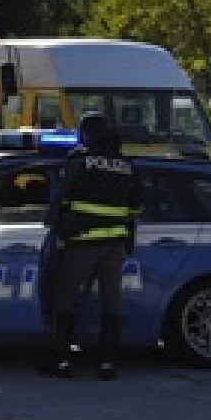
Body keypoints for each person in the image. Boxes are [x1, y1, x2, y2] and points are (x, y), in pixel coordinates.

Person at [39, 112, 143, 380]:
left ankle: (61, 361)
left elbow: (60, 198)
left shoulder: (81, 160)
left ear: (85, 133)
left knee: (65, 299)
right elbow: (137, 207)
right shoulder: (127, 165)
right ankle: (108, 364)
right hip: (115, 246)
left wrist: (54, 226)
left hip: (83, 242)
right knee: (112, 303)